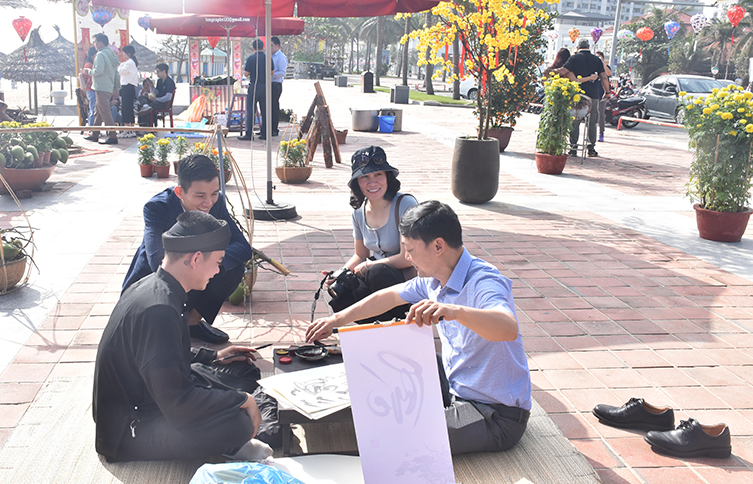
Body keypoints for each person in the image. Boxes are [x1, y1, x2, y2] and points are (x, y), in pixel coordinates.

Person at [307, 200, 532, 455]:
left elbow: (507, 328)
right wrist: (335, 321)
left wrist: (454, 311)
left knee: (398, 440)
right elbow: (387, 297)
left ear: (438, 246)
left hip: (496, 415)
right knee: (385, 363)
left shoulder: (485, 280)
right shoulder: (433, 281)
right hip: (456, 383)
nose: (407, 258)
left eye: (410, 250)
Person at [94, 211, 274, 463]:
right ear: (196, 258)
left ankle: (237, 420)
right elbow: (178, 403)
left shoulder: (155, 286)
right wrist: (242, 402)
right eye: (218, 261)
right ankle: (234, 443)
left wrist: (213, 356)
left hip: (155, 394)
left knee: (242, 373)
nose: (219, 270)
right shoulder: (159, 309)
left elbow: (156, 356)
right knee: (238, 423)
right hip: (132, 428)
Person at [123, 154, 250, 344]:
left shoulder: (217, 203)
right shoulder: (157, 207)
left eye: (214, 193)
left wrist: (212, 262)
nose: (208, 203)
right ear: (179, 192)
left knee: (233, 268)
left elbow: (243, 247)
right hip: (152, 282)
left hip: (192, 275)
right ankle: (168, 325)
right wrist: (198, 263)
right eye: (200, 196)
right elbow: (157, 260)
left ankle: (190, 323)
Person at [323, 145, 417, 324]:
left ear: (387, 177)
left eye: (378, 175)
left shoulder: (405, 204)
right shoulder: (358, 211)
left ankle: (393, 326)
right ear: (357, 182)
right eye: (365, 176)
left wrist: (368, 267)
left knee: (377, 272)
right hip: (376, 276)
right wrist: (341, 273)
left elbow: (407, 257)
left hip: (406, 281)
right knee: (342, 298)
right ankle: (377, 331)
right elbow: (360, 255)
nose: (372, 182)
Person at [560, 39, 610, 158]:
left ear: (577, 47)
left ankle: (573, 148)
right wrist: (607, 91)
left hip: (577, 95)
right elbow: (603, 77)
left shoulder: (573, 58)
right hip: (593, 95)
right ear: (588, 46)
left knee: (575, 120)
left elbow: (563, 71)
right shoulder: (596, 59)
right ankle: (591, 148)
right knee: (592, 121)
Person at [85, 33, 120, 145]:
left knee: (105, 111)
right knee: (99, 111)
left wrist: (89, 72)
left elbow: (98, 70)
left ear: (100, 43)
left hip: (101, 86)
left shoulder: (100, 54)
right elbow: (116, 73)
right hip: (108, 86)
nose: (94, 45)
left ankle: (112, 136)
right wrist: (116, 87)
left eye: (95, 42)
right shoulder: (111, 54)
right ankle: (95, 134)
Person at [237, 39, 273, 141]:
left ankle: (249, 134)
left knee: (250, 111)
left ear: (253, 48)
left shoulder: (251, 58)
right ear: (263, 47)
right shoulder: (268, 58)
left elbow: (246, 73)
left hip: (254, 86)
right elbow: (272, 73)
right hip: (265, 86)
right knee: (265, 111)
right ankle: (265, 133)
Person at [268, 36, 288, 138]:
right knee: (267, 107)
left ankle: (274, 129)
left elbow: (282, 72)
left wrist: (271, 74)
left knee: (274, 107)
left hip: (276, 84)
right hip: (268, 84)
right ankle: (266, 128)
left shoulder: (281, 57)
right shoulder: (269, 56)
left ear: (277, 46)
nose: (270, 47)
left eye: (271, 45)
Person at [118, 45, 139, 128]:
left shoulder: (129, 62)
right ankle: (130, 128)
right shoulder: (130, 62)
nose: (123, 54)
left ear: (128, 53)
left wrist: (121, 65)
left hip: (127, 87)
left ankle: (128, 128)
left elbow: (119, 71)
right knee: (128, 108)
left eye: (124, 52)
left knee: (126, 109)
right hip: (129, 87)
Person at [595, 51, 613, 143]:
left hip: (603, 94)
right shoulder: (593, 66)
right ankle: (591, 134)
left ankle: (601, 133)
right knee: (591, 114)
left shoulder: (606, 67)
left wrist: (602, 63)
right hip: (593, 93)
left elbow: (609, 74)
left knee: (601, 114)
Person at [80, 46, 97, 127]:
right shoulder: (89, 65)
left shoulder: (88, 64)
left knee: (93, 109)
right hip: (91, 89)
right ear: (93, 55)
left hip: (91, 90)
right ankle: (91, 128)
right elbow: (92, 78)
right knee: (93, 110)